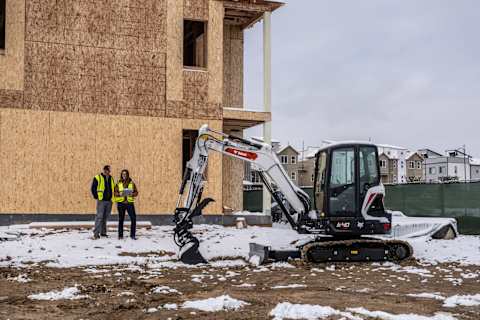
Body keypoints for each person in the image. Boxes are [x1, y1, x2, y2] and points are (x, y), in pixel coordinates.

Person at [91, 165, 115, 239]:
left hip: (109, 201)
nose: (106, 171)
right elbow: (93, 188)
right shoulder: (97, 177)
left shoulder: (111, 178)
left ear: (109, 171)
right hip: (101, 201)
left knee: (105, 217)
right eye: (105, 170)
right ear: (103, 170)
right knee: (99, 217)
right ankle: (96, 234)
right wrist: (96, 196)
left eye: (108, 170)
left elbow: (113, 188)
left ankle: (103, 233)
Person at [114, 169, 138, 240]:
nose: (124, 175)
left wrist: (132, 194)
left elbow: (136, 192)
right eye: (122, 174)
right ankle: (120, 235)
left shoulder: (132, 183)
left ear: (127, 175)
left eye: (125, 174)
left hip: (129, 204)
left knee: (133, 218)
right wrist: (119, 194)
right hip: (121, 204)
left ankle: (132, 235)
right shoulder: (118, 183)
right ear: (121, 175)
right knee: (121, 219)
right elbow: (115, 193)